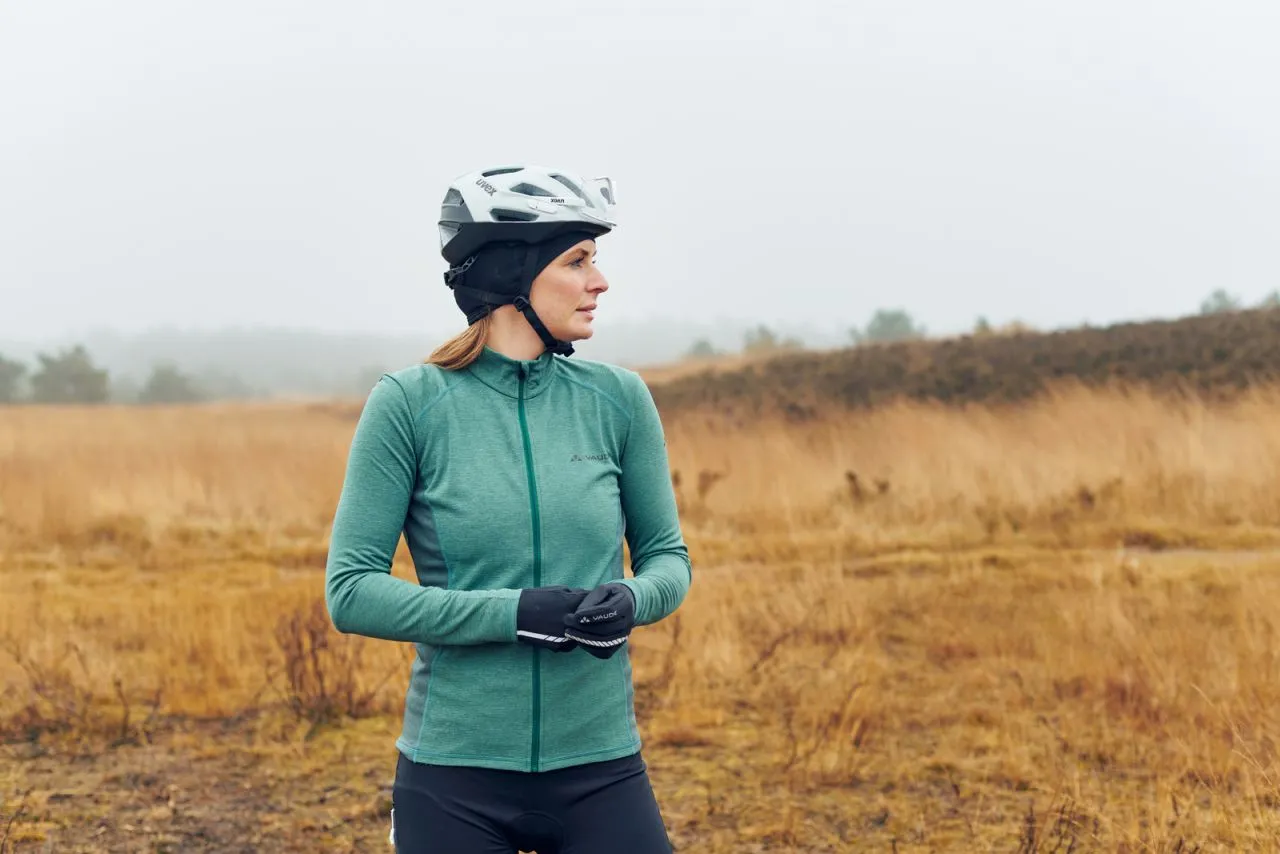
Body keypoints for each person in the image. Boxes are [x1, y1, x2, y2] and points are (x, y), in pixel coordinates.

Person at [324, 164, 692, 854]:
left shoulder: (619, 400)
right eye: (577, 260)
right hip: (453, 772)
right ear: (511, 275)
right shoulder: (409, 404)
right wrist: (515, 614)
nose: (599, 281)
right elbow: (351, 592)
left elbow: (669, 560)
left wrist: (631, 598)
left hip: (601, 766)